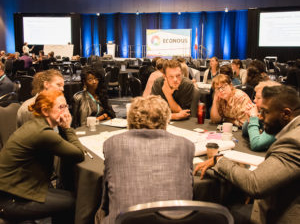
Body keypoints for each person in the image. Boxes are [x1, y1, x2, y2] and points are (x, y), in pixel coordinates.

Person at [194, 85, 300, 224]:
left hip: (280, 216)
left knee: (217, 213)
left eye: (265, 112)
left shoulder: (294, 141)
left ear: (286, 114)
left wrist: (219, 161)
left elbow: (255, 184)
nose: (260, 117)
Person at [95, 95, 194, 224]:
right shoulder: (186, 145)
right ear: (166, 120)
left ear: (130, 120)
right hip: (175, 220)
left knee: (99, 215)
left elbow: (106, 198)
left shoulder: (112, 144)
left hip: (125, 220)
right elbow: (190, 191)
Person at [0, 89, 85, 223]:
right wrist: (68, 128)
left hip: (18, 188)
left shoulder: (36, 123)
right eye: (61, 107)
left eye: (66, 106)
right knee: (76, 202)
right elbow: (79, 154)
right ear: (45, 111)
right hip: (10, 200)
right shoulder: (43, 133)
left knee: (69, 195)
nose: (66, 111)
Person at [242, 80, 280, 151]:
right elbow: (245, 131)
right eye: (255, 97)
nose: (254, 100)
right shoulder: (265, 114)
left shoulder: (277, 119)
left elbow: (256, 145)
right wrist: (249, 118)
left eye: (258, 98)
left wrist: (253, 117)